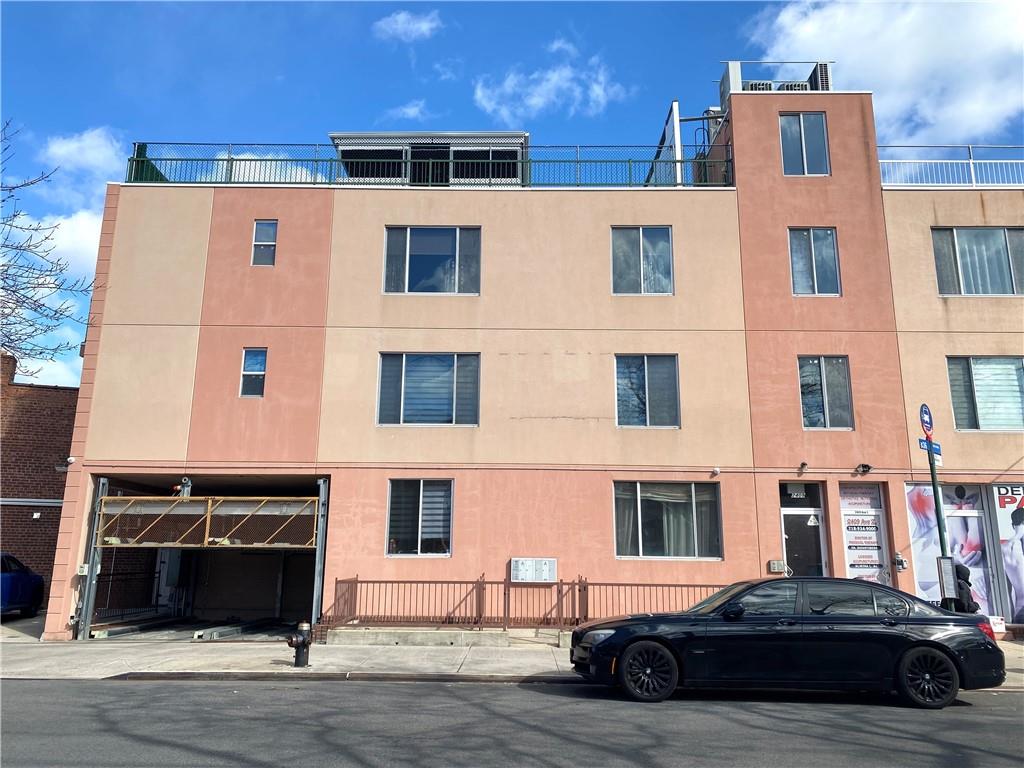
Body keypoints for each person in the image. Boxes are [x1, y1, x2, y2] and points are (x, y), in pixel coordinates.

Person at [1002, 507, 1024, 623]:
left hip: (1018, 610)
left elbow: (1006, 590)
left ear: (1012, 525)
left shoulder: (1004, 548)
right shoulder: (1020, 545)